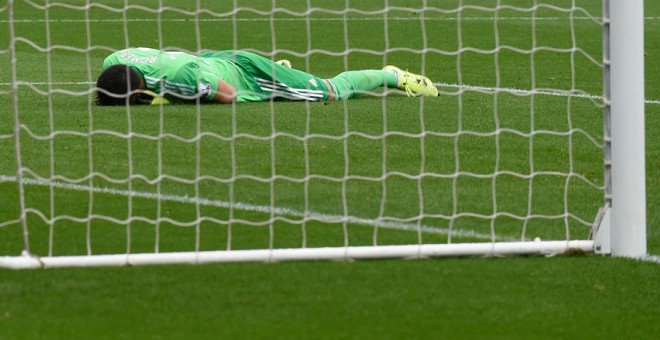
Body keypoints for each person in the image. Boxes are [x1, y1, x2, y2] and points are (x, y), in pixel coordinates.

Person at [95, 47, 438, 106]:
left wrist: (166, 99)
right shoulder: (115, 60)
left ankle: (390, 75)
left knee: (333, 92)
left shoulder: (180, 78)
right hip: (211, 61)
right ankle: (284, 74)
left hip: (243, 74)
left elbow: (227, 96)